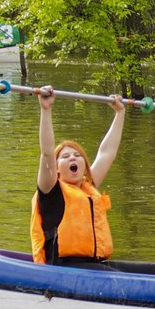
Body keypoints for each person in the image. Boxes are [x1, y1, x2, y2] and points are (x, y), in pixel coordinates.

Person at [30, 86, 126, 268]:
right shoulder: (50, 190)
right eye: (65, 157)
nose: (72, 157)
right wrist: (46, 109)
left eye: (77, 155)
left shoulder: (87, 186)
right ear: (56, 168)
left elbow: (107, 153)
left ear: (84, 165)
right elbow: (47, 152)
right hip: (65, 268)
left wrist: (119, 114)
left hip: (96, 266)